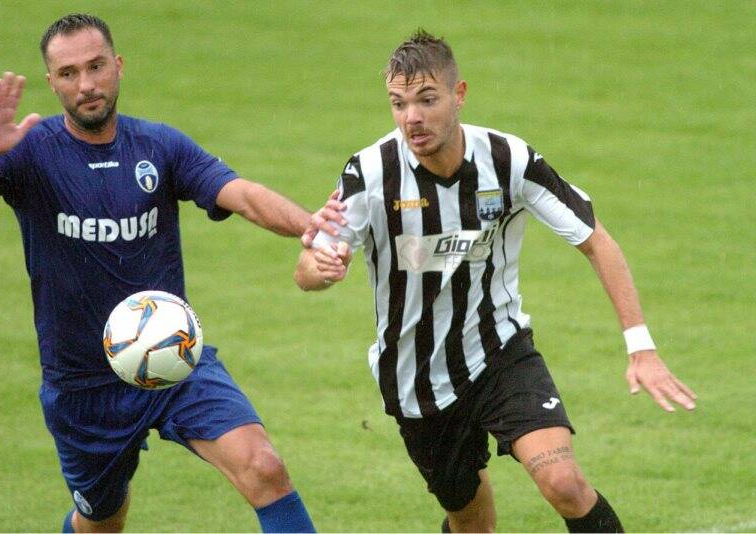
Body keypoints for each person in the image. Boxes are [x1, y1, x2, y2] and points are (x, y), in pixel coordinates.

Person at [295, 30, 698, 533]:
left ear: (458, 94)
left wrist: (641, 345)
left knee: (564, 483)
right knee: (472, 522)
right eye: (398, 104)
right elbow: (307, 269)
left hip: (499, 351)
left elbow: (597, 241)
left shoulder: (510, 161)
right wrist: (322, 269)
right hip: (415, 378)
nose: (411, 118)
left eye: (426, 100)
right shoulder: (370, 172)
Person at [0, 13, 329, 533]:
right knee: (102, 522)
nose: (86, 85)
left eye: (96, 66)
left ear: (119, 66)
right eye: (68, 73)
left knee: (265, 468)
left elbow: (240, 194)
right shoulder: (32, 153)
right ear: (51, 82)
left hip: (175, 358)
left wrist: (309, 226)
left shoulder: (158, 146)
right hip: (82, 385)